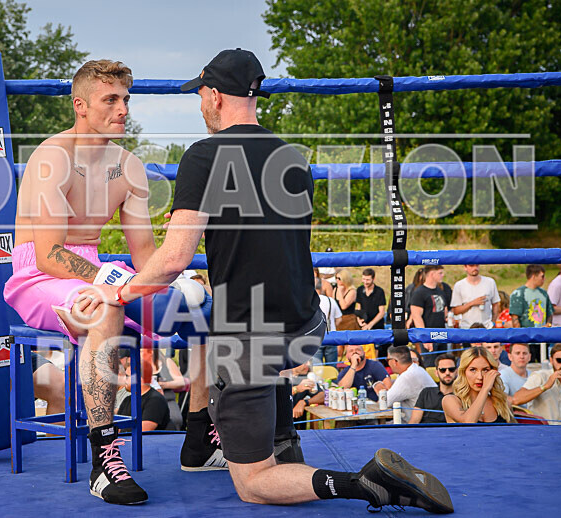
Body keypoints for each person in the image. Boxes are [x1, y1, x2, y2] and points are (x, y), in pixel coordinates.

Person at [77, 49, 452, 512]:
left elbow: (174, 259)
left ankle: (365, 483)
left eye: (199, 95)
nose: (198, 106)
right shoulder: (294, 159)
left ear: (215, 96)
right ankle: (268, 438)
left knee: (253, 483)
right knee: (218, 329)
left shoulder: (204, 156)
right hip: (308, 325)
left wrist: (118, 291)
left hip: (254, 342)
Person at [3, 59, 220, 505]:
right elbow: (48, 253)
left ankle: (198, 437)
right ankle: (104, 458)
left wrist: (174, 281)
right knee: (107, 306)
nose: (122, 109)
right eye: (111, 100)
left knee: (201, 312)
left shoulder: (129, 167)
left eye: (125, 99)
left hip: (94, 268)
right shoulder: (52, 158)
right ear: (80, 106)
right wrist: (110, 281)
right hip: (37, 275)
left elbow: (144, 254)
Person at [513, 343, 561, 424]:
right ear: (551, 360)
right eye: (559, 360)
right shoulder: (540, 376)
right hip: (540, 431)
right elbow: (516, 399)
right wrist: (545, 386)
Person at [442, 347, 515, 424]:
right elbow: (468, 423)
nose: (480, 377)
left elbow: (514, 433)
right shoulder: (450, 400)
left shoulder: (503, 404)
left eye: (485, 370)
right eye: (473, 370)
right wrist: (485, 389)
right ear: (464, 372)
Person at [117, 352, 172, 431]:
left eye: (127, 376)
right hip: (126, 442)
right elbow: (118, 426)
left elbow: (144, 429)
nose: (125, 379)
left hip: (151, 442)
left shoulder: (156, 400)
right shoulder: (127, 400)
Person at [510, 264, 553, 360]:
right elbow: (515, 318)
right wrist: (521, 340)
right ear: (533, 276)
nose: (544, 279)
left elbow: (549, 312)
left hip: (542, 339)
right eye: (542, 276)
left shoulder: (543, 293)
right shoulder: (518, 294)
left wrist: (548, 325)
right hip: (527, 340)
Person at [410, 265, 450, 367]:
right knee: (431, 366)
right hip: (429, 335)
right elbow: (416, 316)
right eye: (440, 273)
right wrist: (425, 337)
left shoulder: (440, 291)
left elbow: (443, 310)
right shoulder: (419, 292)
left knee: (443, 365)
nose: (443, 275)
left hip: (442, 333)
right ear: (432, 274)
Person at [386, 346, 437, 421]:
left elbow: (385, 402)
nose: (388, 363)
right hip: (427, 421)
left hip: (419, 426)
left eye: (387, 360)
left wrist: (379, 389)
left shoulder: (407, 376)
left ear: (394, 361)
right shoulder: (416, 369)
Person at [410, 354, 458, 424]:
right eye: (443, 370)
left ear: (456, 371)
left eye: (451, 369)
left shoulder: (462, 395)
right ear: (436, 372)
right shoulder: (426, 392)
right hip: (425, 432)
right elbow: (414, 421)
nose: (447, 373)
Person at [450, 264, 500, 329]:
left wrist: (493, 323)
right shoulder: (459, 285)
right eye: (471, 265)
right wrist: (472, 303)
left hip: (487, 327)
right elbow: (455, 311)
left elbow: (496, 304)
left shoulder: (490, 282)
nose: (475, 268)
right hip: (467, 328)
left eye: (477, 265)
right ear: (465, 267)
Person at [356, 269, 387, 358]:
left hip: (377, 327)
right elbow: (359, 308)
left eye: (368, 279)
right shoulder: (359, 290)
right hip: (364, 326)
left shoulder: (379, 291)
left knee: (375, 354)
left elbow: (381, 312)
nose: (365, 282)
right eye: (364, 279)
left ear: (373, 279)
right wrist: (360, 321)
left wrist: (370, 325)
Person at [314, 277, 342, 365]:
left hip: (316, 337)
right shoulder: (331, 300)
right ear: (321, 288)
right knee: (332, 367)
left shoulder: (308, 302)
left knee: (317, 368)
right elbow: (339, 319)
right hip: (331, 335)